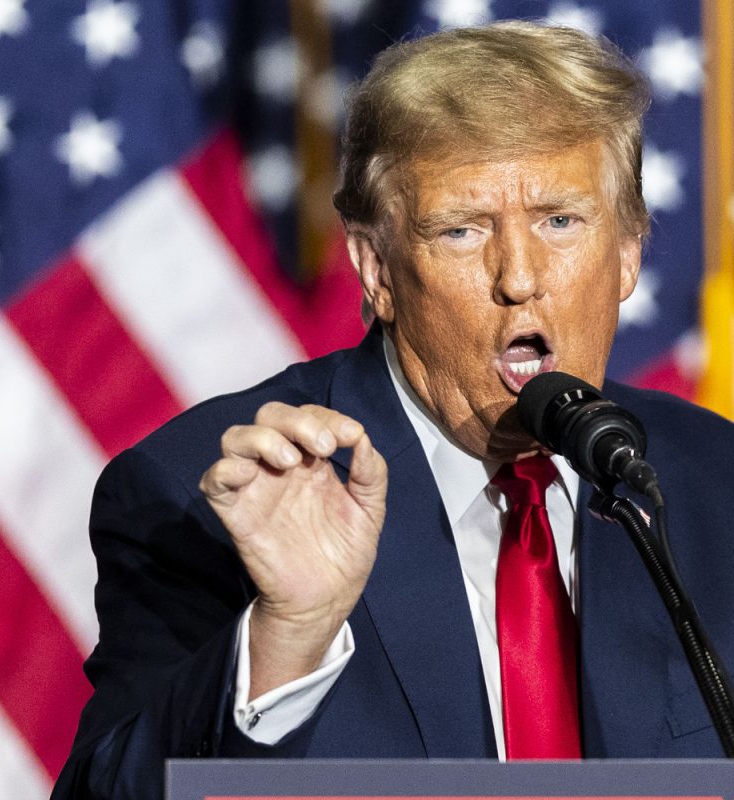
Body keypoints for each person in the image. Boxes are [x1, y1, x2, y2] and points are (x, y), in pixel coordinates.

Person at [52, 21, 734, 800]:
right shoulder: (215, 498)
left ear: (629, 253)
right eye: (461, 229)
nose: (519, 277)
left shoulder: (716, 481)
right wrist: (285, 639)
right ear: (376, 267)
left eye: (559, 221)